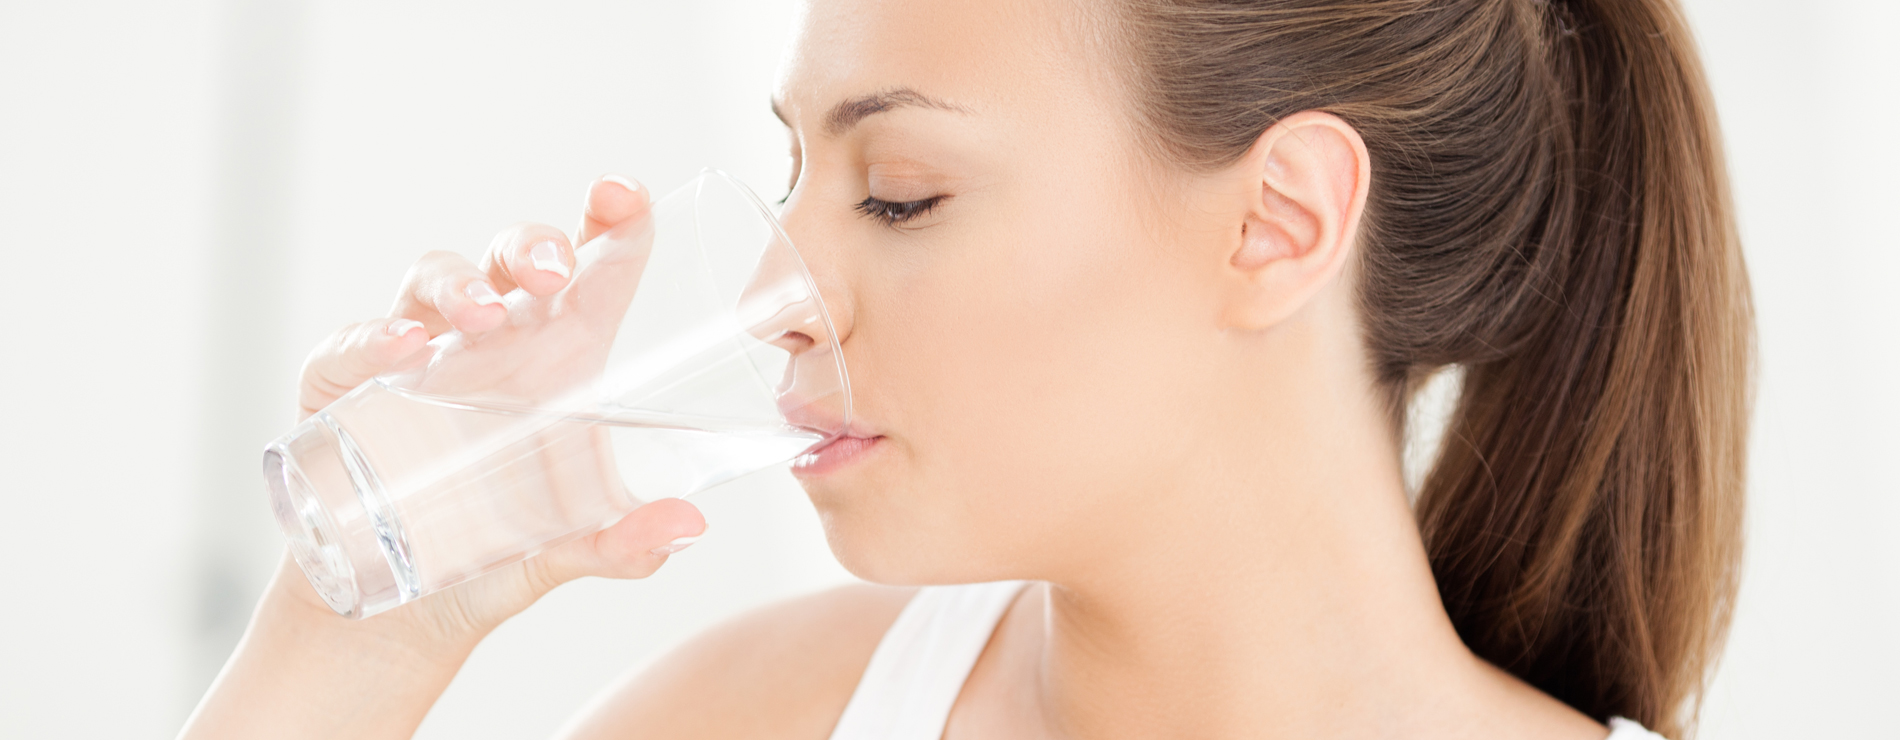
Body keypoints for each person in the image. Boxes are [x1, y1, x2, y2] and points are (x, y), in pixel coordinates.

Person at [179, 0, 1752, 737]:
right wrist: (364, 631)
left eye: (900, 194)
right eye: (790, 175)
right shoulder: (763, 719)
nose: (779, 295)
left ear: (1278, 223)